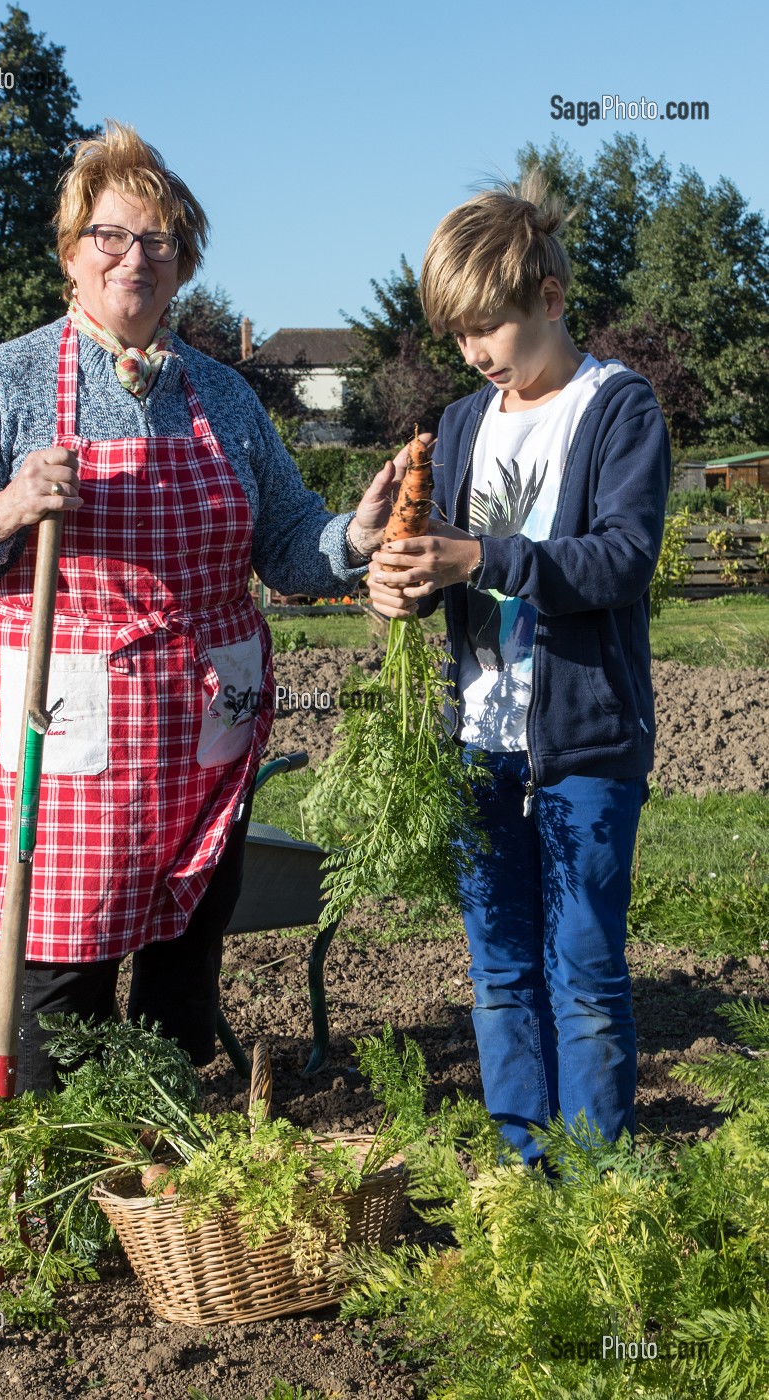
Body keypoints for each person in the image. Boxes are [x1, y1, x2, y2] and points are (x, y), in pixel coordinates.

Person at [0, 121, 387, 1092]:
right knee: (58, 987)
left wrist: (355, 541)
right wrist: (4, 506)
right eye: (111, 235)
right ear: (72, 252)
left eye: (158, 240)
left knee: (183, 970)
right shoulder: (13, 377)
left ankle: (162, 1176)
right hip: (69, 725)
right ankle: (62, 1172)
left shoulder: (226, 396)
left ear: (184, 263)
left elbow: (287, 543)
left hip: (203, 730)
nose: (135, 257)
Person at [367, 172, 670, 1169]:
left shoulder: (617, 406)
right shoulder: (461, 425)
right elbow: (437, 574)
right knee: (499, 971)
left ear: (549, 296)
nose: (474, 354)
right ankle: (521, 1174)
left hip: (585, 738)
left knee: (582, 973)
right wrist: (400, 584)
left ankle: (595, 1187)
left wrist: (479, 556)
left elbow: (621, 560)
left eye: (488, 328)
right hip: (479, 739)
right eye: (458, 336)